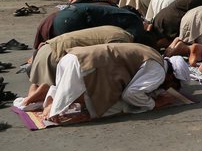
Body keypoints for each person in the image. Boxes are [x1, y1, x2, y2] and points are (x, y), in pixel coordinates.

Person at [41, 43, 189, 125]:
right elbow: (131, 94)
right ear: (171, 76)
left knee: (64, 90)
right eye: (173, 86)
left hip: (73, 57)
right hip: (87, 66)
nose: (169, 89)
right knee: (117, 106)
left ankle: (52, 104)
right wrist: (154, 104)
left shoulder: (154, 54)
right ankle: (59, 111)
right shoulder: (158, 72)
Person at [15, 26, 134, 111]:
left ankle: (30, 99)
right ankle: (37, 99)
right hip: (57, 54)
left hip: (47, 48)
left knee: (38, 84)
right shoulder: (123, 41)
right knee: (57, 90)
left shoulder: (116, 30)